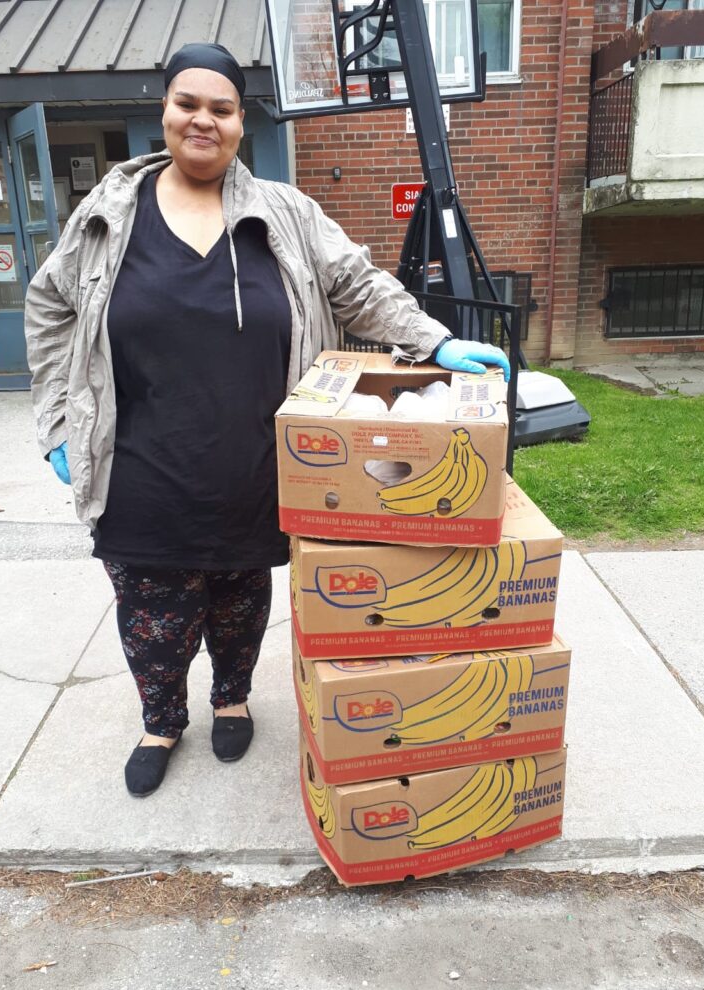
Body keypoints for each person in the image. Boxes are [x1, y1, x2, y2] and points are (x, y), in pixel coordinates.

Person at [25, 43, 510, 798]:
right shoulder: (109, 214)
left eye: (221, 108)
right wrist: (59, 422)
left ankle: (232, 699)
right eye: (188, 103)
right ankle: (160, 721)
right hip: (140, 471)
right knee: (153, 618)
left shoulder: (286, 212)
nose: (203, 120)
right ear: (165, 110)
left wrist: (433, 340)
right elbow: (49, 307)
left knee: (241, 604)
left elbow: (356, 285)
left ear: (240, 122)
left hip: (257, 467)